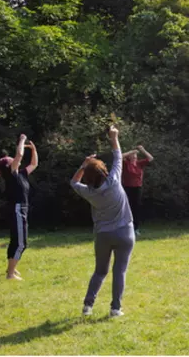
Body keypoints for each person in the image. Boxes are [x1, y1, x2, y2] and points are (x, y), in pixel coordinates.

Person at [70, 125, 134, 318]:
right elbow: (117, 155)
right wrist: (114, 137)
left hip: (103, 235)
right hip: (125, 233)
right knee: (119, 271)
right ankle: (115, 309)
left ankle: (88, 306)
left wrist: (83, 164)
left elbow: (73, 183)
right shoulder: (114, 180)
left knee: (100, 272)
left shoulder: (88, 192)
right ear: (104, 171)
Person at [0, 134, 38, 280]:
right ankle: (10, 274)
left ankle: (11, 269)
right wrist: (22, 140)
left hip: (21, 209)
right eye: (11, 161)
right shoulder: (11, 175)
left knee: (17, 241)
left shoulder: (21, 174)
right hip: (18, 209)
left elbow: (34, 164)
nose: (15, 160)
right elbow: (19, 154)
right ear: (8, 166)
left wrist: (33, 150)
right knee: (21, 243)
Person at [121, 145, 154, 236]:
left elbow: (150, 158)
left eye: (135, 155)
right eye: (133, 155)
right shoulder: (126, 163)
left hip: (137, 188)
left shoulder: (140, 163)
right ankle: (125, 228)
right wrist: (131, 151)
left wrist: (142, 149)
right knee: (127, 208)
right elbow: (119, 156)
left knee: (136, 208)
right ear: (129, 156)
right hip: (127, 188)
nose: (135, 156)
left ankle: (135, 229)